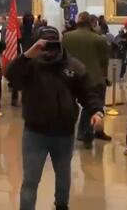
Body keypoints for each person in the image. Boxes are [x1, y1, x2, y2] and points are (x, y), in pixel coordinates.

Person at [6, 26, 104, 210]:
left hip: (64, 131)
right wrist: (27, 55)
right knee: (30, 180)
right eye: (45, 45)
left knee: (63, 175)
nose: (49, 50)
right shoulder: (30, 65)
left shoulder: (73, 66)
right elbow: (10, 75)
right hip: (35, 132)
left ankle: (61, 205)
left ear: (60, 44)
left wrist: (97, 111)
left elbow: (88, 93)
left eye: (53, 45)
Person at [62, 12, 110, 149]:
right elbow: (104, 61)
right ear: (91, 23)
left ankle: (69, 134)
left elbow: (63, 56)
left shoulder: (66, 37)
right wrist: (105, 77)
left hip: (70, 76)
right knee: (93, 107)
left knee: (67, 106)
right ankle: (86, 133)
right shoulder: (99, 39)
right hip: (93, 77)